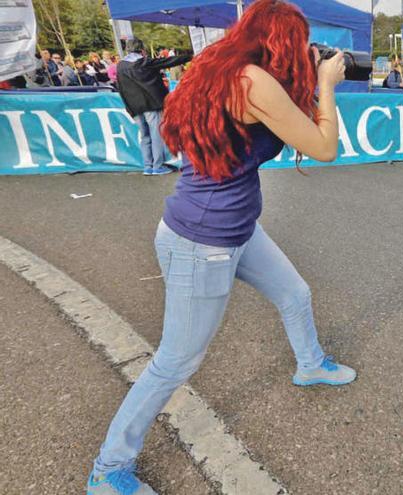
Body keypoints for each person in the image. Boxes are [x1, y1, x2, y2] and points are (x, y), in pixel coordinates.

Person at [86, 1, 356, 494]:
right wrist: (325, 84)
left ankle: (311, 365)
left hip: (235, 228)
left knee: (295, 293)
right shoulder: (253, 81)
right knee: (175, 361)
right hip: (202, 240)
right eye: (299, 41)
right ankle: (107, 470)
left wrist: (308, 78)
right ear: (282, 40)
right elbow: (323, 147)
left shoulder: (222, 66)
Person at [116, 37, 191, 175]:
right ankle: (158, 166)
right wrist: (190, 56)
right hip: (151, 104)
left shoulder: (121, 65)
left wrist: (129, 108)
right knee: (156, 134)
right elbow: (169, 61)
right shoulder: (144, 62)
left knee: (145, 136)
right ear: (142, 49)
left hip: (134, 106)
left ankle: (148, 166)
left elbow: (120, 87)